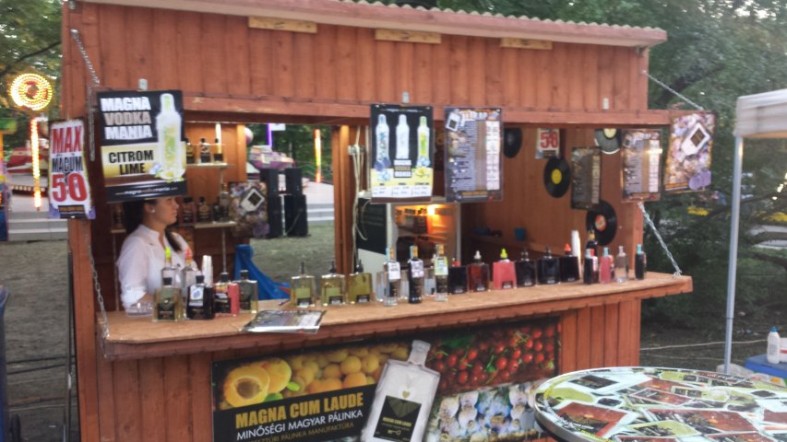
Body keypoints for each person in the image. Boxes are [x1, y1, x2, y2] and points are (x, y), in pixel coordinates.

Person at [117, 197, 190, 315]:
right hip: (153, 322)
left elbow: (193, 279)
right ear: (149, 207)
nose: (176, 206)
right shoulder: (136, 244)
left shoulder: (177, 240)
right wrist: (173, 305)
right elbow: (133, 297)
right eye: (169, 200)